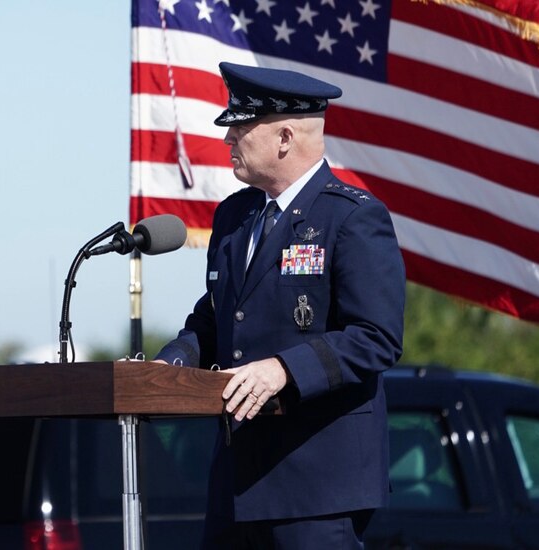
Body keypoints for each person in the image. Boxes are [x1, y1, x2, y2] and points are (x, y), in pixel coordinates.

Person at [155, 62, 406, 549]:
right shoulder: (234, 217)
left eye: (241, 126)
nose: (228, 138)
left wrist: (283, 370)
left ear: (285, 137)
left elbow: (377, 337)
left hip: (317, 487)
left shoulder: (352, 217)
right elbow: (215, 318)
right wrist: (169, 365)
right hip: (237, 482)